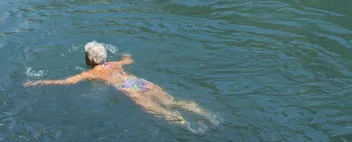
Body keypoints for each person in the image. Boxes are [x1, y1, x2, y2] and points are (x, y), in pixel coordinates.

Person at [25, 42, 217, 128]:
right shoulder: (114, 64)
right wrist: (126, 54)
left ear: (90, 60)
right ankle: (204, 113)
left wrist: (38, 81)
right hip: (141, 83)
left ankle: (184, 123)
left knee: (155, 109)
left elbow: (66, 82)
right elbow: (128, 61)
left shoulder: (92, 73)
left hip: (129, 89)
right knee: (172, 100)